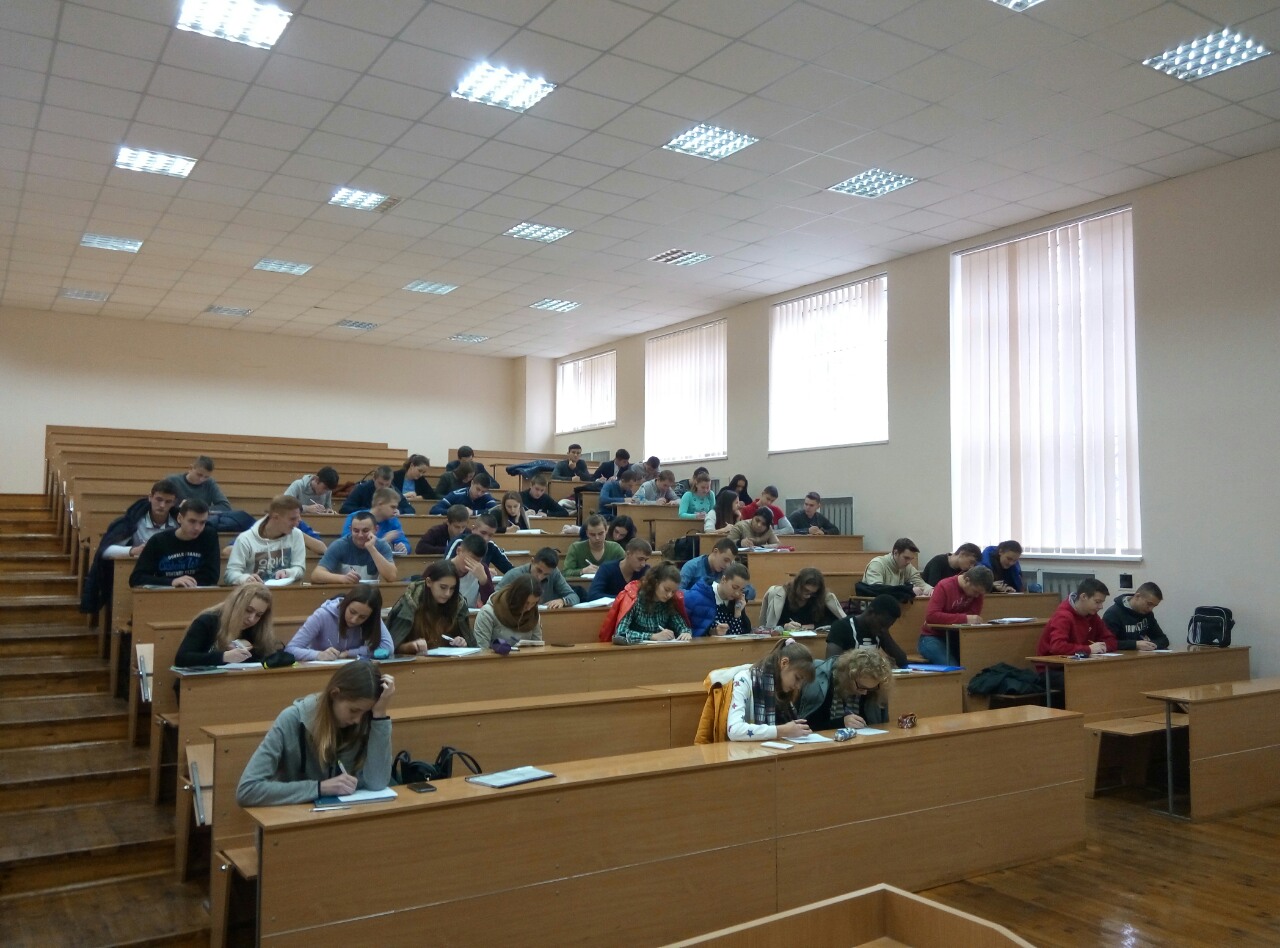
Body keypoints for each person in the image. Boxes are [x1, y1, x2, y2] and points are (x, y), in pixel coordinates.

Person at [236, 661, 394, 806]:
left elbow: (377, 783)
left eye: (365, 713)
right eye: (353, 710)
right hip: (296, 817)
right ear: (334, 695)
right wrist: (319, 788)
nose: (358, 720)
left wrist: (379, 715)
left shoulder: (368, 721)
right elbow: (247, 790)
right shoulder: (291, 719)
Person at [81, 481, 180, 615]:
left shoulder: (179, 523)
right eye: (159, 499)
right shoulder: (132, 522)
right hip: (136, 573)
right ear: (150, 497)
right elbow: (105, 552)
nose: (162, 505)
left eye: (168, 502)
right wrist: (132, 551)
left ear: (174, 503)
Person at [726, 639, 816, 741]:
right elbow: (734, 730)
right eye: (797, 678)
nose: (798, 686)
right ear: (784, 663)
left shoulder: (783, 689)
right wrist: (781, 731)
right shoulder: (744, 680)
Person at [174, 585, 280, 667]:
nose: (252, 619)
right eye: (248, 610)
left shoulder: (257, 629)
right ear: (236, 605)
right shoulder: (207, 621)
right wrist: (224, 656)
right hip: (197, 684)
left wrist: (251, 652)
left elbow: (266, 658)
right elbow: (182, 659)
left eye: (258, 615)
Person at [795, 648, 894, 731]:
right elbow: (806, 726)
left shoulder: (876, 691)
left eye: (871, 688)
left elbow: (880, 726)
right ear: (848, 677)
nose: (865, 693)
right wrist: (841, 723)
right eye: (861, 687)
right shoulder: (819, 681)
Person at [286, 585, 393, 661]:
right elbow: (290, 649)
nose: (354, 620)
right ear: (345, 604)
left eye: (362, 617)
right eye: (352, 612)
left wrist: (350, 653)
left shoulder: (372, 618)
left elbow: (387, 649)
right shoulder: (322, 615)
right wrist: (318, 655)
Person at [387, 561, 474, 655]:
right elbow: (391, 647)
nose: (447, 593)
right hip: (414, 662)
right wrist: (410, 646)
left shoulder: (458, 605)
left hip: (448, 662)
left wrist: (462, 643)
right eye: (443, 587)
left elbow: (471, 644)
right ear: (429, 582)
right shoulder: (409, 604)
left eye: (452, 588)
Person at [129, 499, 220, 588]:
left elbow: (212, 577)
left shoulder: (209, 536)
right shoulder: (158, 541)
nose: (197, 528)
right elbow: (136, 578)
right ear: (179, 518)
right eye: (192, 521)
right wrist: (171, 582)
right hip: (164, 594)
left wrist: (186, 583)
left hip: (197, 594)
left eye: (202, 523)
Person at [919, 566, 995, 665]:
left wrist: (967, 619)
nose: (977, 596)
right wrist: (964, 618)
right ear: (967, 580)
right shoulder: (944, 586)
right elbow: (931, 616)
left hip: (959, 637)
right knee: (953, 666)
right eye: (975, 592)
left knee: (978, 663)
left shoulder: (978, 592)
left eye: (980, 594)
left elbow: (973, 617)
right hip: (932, 637)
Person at [225, 495, 306, 585]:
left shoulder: (296, 535)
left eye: (298, 518)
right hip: (254, 591)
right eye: (292, 519)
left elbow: (299, 568)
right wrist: (245, 578)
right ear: (276, 517)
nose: (297, 522)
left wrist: (288, 572)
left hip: (285, 591)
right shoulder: (245, 539)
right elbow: (230, 574)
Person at [164, 456, 254, 532]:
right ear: (191, 468)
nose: (202, 479)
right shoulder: (172, 481)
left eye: (206, 477)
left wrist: (199, 508)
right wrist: (179, 507)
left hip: (201, 523)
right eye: (199, 475)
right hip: (177, 521)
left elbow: (225, 506)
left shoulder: (209, 482)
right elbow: (163, 504)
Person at [1037, 578, 1117, 658]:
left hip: (1079, 660)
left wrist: (1101, 647)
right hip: (1053, 663)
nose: (1101, 606)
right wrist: (1088, 649)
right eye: (1097, 602)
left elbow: (1111, 640)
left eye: (1102, 602)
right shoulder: (1063, 616)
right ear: (1083, 597)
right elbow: (1057, 647)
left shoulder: (1093, 616)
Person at [311, 511, 397, 584]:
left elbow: (391, 577)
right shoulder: (339, 545)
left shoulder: (382, 546)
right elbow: (316, 575)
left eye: (365, 531)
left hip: (371, 594)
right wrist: (343, 578)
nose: (360, 535)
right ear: (350, 529)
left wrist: (372, 549)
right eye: (356, 531)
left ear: (376, 529)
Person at [825, 594, 909, 668]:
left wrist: (886, 635)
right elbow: (831, 665)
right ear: (870, 612)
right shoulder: (841, 627)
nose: (883, 629)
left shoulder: (880, 631)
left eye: (888, 627)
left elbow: (902, 662)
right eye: (882, 624)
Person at [615, 563, 692, 643]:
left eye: (673, 592)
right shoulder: (635, 599)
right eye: (666, 589)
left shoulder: (669, 602)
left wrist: (685, 633)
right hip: (635, 649)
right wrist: (652, 636)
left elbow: (681, 626)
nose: (669, 595)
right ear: (655, 582)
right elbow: (620, 633)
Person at [760, 567, 846, 629]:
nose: (808, 596)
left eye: (812, 593)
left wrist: (814, 626)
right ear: (797, 585)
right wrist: (784, 626)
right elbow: (770, 626)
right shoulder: (781, 596)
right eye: (806, 591)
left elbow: (835, 621)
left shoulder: (821, 598)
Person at [473, 574, 543, 649]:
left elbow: (538, 648)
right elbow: (482, 649)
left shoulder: (533, 614)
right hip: (495, 656)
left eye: (533, 603)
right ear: (516, 597)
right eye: (526, 603)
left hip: (526, 656)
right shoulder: (488, 613)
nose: (529, 608)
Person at [684, 562, 752, 637]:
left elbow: (737, 637)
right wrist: (712, 632)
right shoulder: (698, 596)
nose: (737, 593)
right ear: (723, 579)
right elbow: (687, 631)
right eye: (734, 587)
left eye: (741, 590)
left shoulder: (737, 602)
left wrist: (738, 613)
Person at [497, 547, 579, 608]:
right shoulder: (514, 575)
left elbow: (574, 596)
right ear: (532, 561)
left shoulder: (554, 573)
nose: (540, 577)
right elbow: (494, 598)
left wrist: (563, 601)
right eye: (539, 570)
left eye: (546, 574)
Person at [679, 538, 756, 600]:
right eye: (725, 560)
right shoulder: (692, 566)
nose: (727, 565)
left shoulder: (729, 569)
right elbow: (678, 591)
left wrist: (737, 590)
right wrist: (703, 594)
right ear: (715, 551)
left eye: (730, 562)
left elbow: (751, 593)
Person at [1103, 582, 1169, 651]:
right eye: (1149, 604)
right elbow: (1107, 643)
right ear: (1137, 596)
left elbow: (1163, 639)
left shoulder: (1147, 614)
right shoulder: (1113, 613)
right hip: (1121, 656)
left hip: (1141, 655)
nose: (1150, 609)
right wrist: (1135, 645)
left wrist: (1149, 645)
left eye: (1154, 606)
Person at [342, 488, 409, 555]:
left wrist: (403, 547)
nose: (396, 511)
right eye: (392, 507)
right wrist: (383, 541)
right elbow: (347, 545)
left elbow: (405, 543)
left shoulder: (393, 520)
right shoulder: (355, 518)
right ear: (380, 504)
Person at [444, 513, 516, 575]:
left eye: (490, 535)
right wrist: (484, 570)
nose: (486, 538)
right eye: (483, 533)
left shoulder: (491, 546)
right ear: (473, 529)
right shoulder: (459, 541)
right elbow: (445, 568)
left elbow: (511, 570)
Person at [863, 538, 933, 598]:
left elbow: (921, 584)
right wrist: (908, 591)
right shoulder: (877, 564)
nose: (909, 562)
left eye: (911, 559)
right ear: (895, 553)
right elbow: (877, 590)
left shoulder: (907, 566)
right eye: (906, 558)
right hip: (873, 607)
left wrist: (931, 590)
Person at [587, 538, 651, 600]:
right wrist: (624, 599)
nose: (643, 564)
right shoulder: (607, 569)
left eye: (646, 560)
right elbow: (593, 595)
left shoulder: (646, 571)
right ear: (628, 554)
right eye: (640, 559)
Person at [563, 515, 624, 580]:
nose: (597, 538)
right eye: (592, 534)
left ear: (606, 531)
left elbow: (628, 568)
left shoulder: (615, 548)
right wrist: (582, 571)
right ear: (587, 533)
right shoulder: (575, 548)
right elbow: (565, 572)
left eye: (600, 533)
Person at [341, 466, 414, 515]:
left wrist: (399, 511)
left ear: (391, 481)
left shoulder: (393, 490)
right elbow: (344, 509)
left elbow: (410, 509)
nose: (384, 487)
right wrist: (368, 511)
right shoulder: (362, 488)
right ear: (374, 478)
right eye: (380, 483)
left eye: (387, 484)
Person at [451, 533, 495, 607]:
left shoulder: (481, 569)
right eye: (469, 559)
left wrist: (484, 581)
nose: (470, 564)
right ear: (458, 551)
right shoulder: (442, 568)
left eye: (477, 561)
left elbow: (491, 603)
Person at [430, 472, 497, 516]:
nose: (479, 494)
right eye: (478, 489)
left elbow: (496, 512)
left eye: (483, 491)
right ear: (472, 483)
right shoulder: (456, 494)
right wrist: (457, 512)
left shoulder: (486, 496)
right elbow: (434, 510)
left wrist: (473, 512)